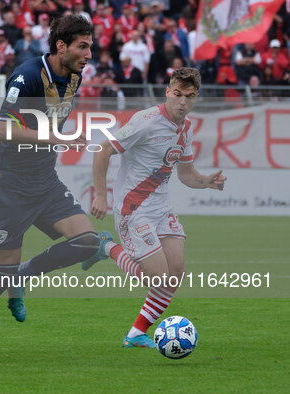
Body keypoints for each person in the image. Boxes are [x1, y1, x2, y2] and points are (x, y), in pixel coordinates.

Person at [0, 15, 105, 362]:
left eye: (91, 46)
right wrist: (57, 136)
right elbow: (4, 130)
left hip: (44, 181)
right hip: (10, 184)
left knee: (87, 242)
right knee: (1, 270)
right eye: (83, 46)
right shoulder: (28, 75)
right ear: (61, 46)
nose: (89, 53)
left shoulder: (75, 77)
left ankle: (24, 275)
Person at [86, 67, 227, 348]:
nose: (182, 102)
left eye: (189, 96)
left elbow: (186, 174)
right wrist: (101, 195)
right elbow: (103, 149)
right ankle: (108, 247)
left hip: (161, 208)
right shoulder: (146, 121)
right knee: (160, 279)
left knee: (176, 272)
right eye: (177, 94)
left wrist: (206, 182)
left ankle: (136, 333)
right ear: (168, 92)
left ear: (196, 97)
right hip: (133, 209)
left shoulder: (186, 128)